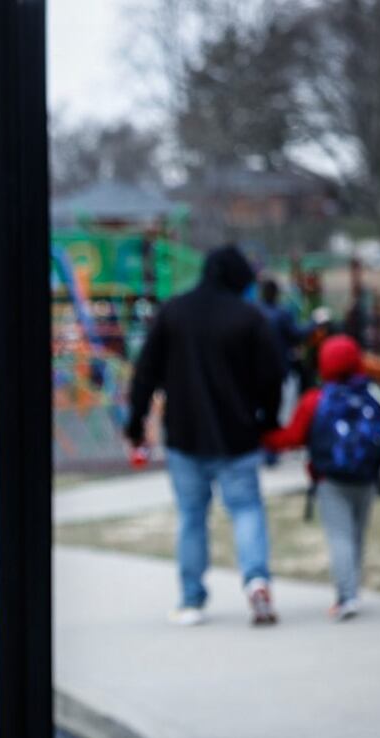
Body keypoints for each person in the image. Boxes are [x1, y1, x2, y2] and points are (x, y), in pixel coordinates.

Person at [125, 245, 285, 627]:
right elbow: (273, 376)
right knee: (246, 509)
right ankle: (256, 579)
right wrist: (268, 420)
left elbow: (145, 373)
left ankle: (191, 599)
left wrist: (136, 423)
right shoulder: (249, 317)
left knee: (192, 516)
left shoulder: (174, 312)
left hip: (185, 434)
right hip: (239, 435)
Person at [262, 335, 380, 620]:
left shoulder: (316, 400)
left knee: (340, 537)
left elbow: (292, 437)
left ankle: (346, 595)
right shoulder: (373, 397)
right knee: (356, 536)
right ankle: (352, 590)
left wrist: (263, 437)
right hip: (367, 479)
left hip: (331, 480)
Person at [257, 279, 312, 420]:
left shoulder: (254, 311)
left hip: (257, 369)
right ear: (276, 294)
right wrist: (314, 323)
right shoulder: (281, 314)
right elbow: (296, 335)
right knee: (278, 409)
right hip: (279, 368)